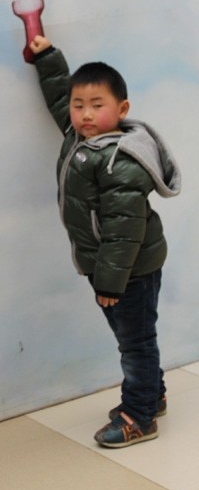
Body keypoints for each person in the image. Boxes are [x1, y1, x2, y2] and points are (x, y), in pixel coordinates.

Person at [29, 34, 181, 448]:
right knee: (134, 336)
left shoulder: (120, 159)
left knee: (135, 343)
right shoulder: (81, 136)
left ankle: (140, 415)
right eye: (81, 106)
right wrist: (46, 57)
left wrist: (111, 281)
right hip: (110, 267)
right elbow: (61, 96)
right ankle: (153, 394)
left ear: (122, 109)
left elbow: (124, 227)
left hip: (129, 269)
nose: (84, 114)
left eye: (97, 106)